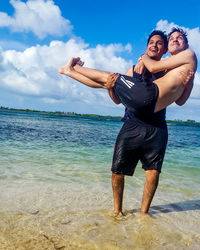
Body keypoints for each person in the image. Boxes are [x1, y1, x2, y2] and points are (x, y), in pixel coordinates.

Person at [59, 28, 196, 214]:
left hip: (155, 124)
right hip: (134, 120)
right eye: (171, 38)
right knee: (107, 80)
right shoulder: (137, 68)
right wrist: (110, 88)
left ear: (166, 50)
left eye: (177, 39)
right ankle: (71, 70)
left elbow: (180, 101)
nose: (155, 45)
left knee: (153, 173)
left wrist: (189, 82)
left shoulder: (174, 65)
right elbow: (117, 99)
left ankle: (144, 213)